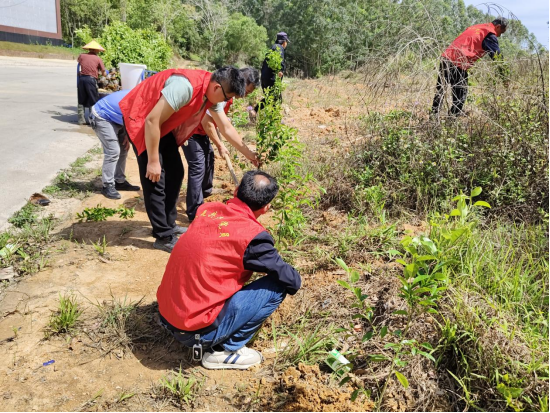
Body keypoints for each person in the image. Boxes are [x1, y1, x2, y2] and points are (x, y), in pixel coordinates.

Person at [157, 170, 301, 370]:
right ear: (266, 208)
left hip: (166, 314)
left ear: (235, 191)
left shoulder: (206, 210)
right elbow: (292, 281)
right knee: (278, 285)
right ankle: (225, 350)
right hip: (193, 332)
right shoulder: (253, 238)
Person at [119, 66, 259, 253]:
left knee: (176, 172)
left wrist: (249, 154)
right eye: (226, 98)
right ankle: (163, 236)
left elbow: (226, 127)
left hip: (161, 124)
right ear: (217, 88)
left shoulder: (212, 92)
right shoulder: (185, 87)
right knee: (155, 179)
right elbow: (151, 120)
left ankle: (169, 224)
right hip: (142, 118)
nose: (225, 102)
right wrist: (153, 161)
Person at [182, 67, 261, 223]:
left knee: (209, 158)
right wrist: (219, 145)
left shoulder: (228, 96)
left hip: (201, 132)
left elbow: (223, 125)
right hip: (190, 130)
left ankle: (204, 193)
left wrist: (249, 154)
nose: (246, 95)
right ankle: (194, 211)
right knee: (198, 165)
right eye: (247, 91)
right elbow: (207, 122)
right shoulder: (222, 93)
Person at [432, 17, 508, 116]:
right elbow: (498, 58)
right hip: (459, 62)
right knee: (460, 96)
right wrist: (505, 78)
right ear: (497, 27)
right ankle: (452, 119)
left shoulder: (477, 27)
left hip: (446, 58)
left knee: (440, 90)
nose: (499, 36)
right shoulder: (489, 34)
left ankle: (433, 116)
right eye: (501, 33)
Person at [90, 90, 141, 200]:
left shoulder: (146, 97)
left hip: (118, 117)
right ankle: (107, 185)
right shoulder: (139, 99)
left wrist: (127, 134)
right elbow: (133, 117)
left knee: (124, 148)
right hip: (103, 116)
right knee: (113, 151)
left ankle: (119, 181)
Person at [255, 32, 290, 113]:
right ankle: (256, 111)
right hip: (271, 79)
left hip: (265, 77)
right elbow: (280, 60)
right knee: (276, 100)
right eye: (286, 42)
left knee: (269, 99)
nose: (286, 44)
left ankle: (255, 111)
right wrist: (281, 70)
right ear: (284, 42)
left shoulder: (272, 48)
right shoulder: (279, 48)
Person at [77, 41, 107, 125]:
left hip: (82, 79)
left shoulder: (82, 56)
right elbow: (103, 72)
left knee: (81, 99)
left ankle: (81, 120)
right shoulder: (98, 59)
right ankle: (92, 120)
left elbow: (79, 63)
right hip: (91, 80)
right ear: (95, 50)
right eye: (98, 50)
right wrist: (104, 74)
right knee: (93, 100)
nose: (99, 51)